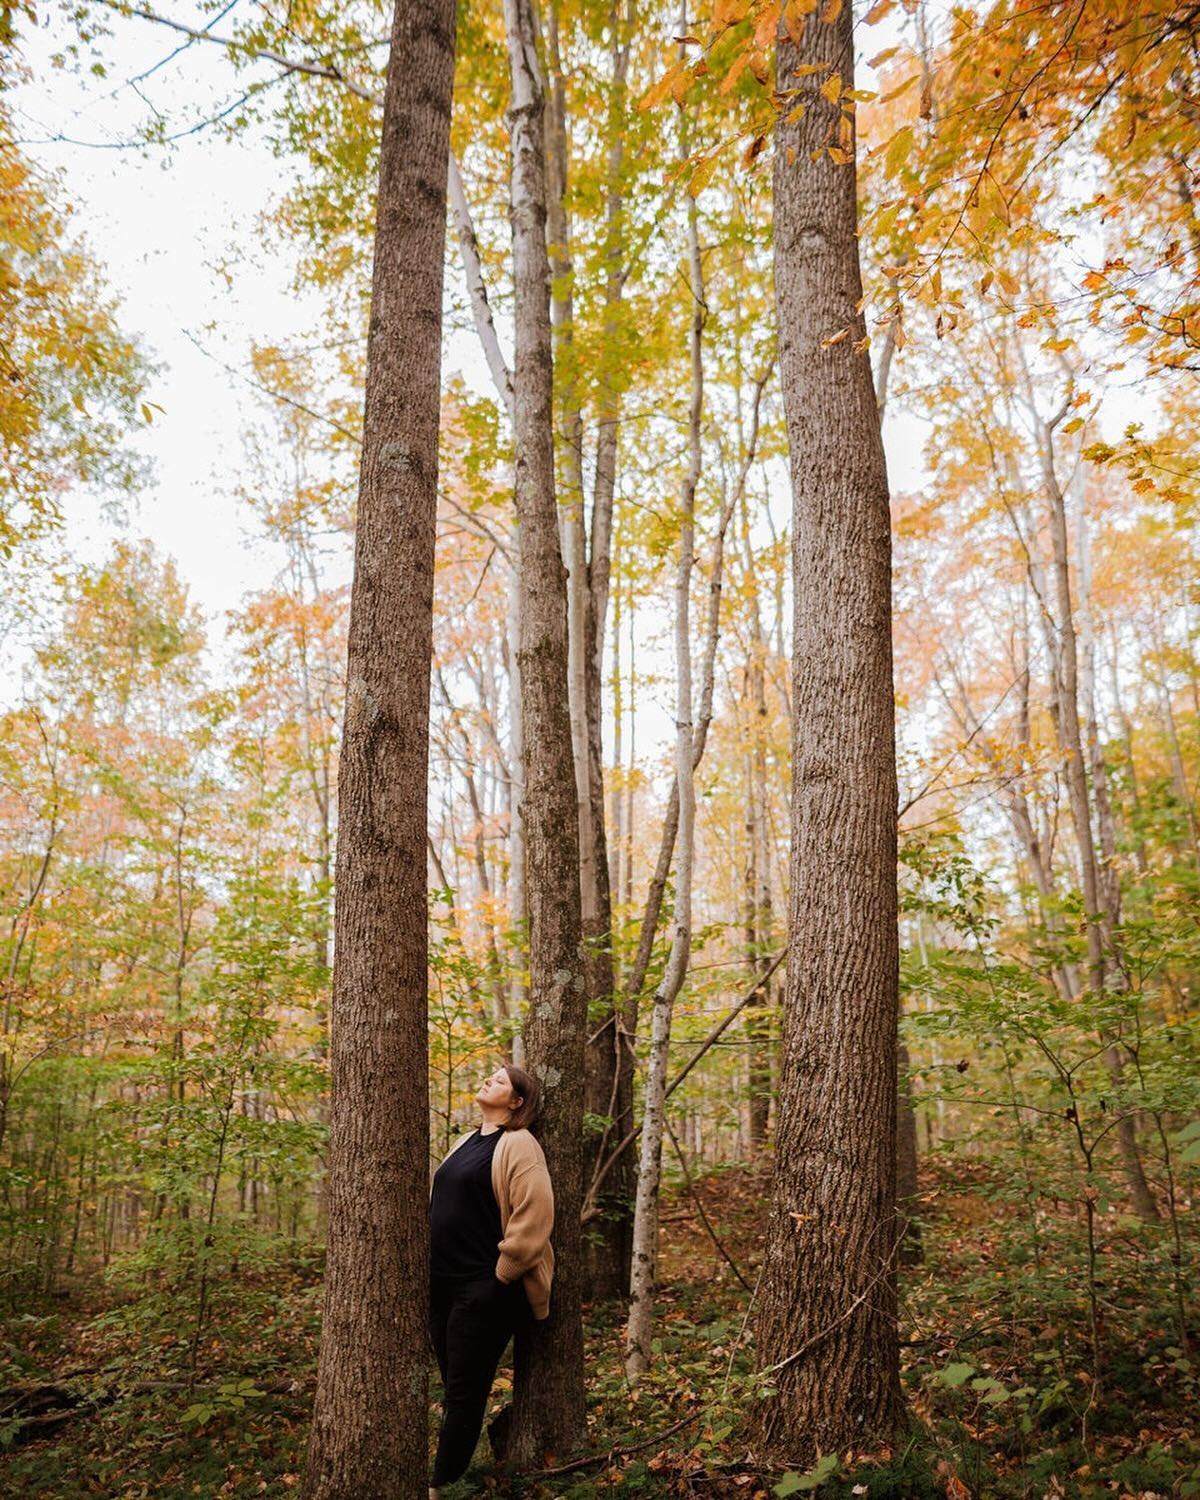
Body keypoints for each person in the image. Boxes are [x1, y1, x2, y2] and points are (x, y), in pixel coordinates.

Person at [428, 1064, 554, 1498]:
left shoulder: (520, 1145)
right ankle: (456, 1464)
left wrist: (502, 1273)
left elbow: (535, 1213)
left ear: (516, 1102)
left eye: (500, 1081)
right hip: (442, 1285)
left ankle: (440, 1485)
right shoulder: (464, 1142)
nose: (489, 1081)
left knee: (464, 1390)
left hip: (484, 1287)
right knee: (455, 1382)